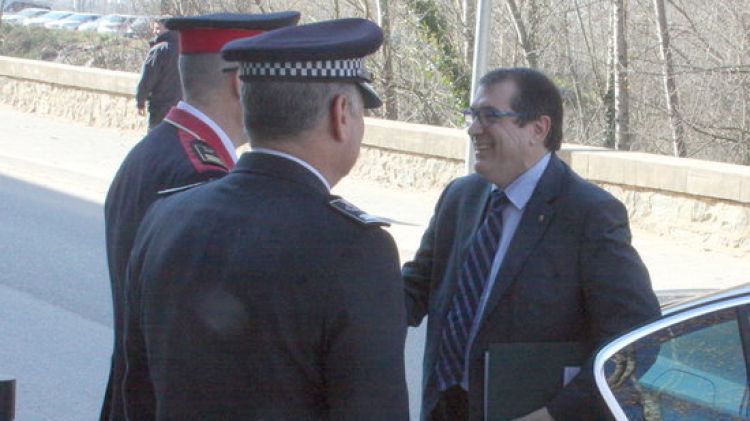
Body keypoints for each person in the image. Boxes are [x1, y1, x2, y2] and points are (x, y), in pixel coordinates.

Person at [120, 18, 409, 420]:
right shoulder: (356, 248)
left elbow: (137, 395)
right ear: (341, 114)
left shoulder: (166, 216)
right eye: (361, 111)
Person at [402, 67, 661, 421]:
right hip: (445, 407)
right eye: (472, 115)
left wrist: (556, 414)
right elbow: (416, 286)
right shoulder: (460, 197)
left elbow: (636, 339)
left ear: (538, 129)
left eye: (490, 116)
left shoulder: (589, 214)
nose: (474, 129)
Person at [101, 12, 301, 421]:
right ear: (239, 83)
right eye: (273, 79)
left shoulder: (154, 150)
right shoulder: (202, 175)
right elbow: (202, 346)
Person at [135, 19, 181, 130]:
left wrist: (140, 101)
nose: (155, 32)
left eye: (158, 28)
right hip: (180, 107)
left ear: (168, 29)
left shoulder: (159, 50)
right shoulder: (185, 49)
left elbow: (147, 79)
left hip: (160, 107)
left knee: (156, 142)